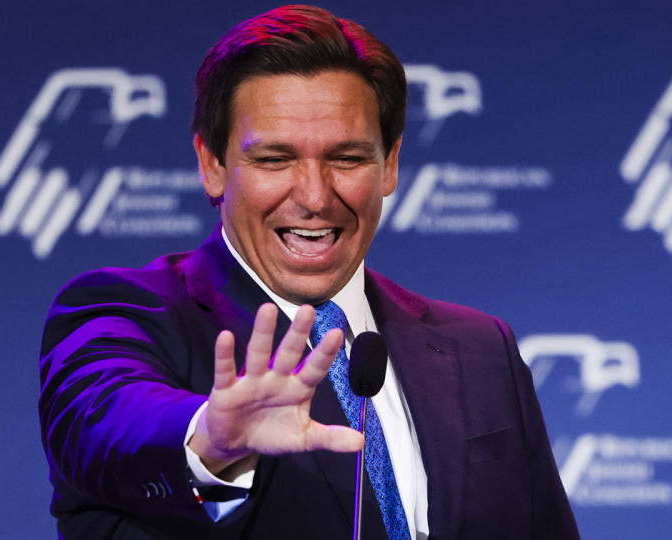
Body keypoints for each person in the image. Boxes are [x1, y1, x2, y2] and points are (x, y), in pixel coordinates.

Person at [39, 5, 579, 539]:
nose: (316, 198)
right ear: (212, 165)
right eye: (274, 160)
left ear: (389, 164)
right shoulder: (126, 312)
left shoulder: (481, 347)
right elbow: (104, 420)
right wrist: (210, 438)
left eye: (347, 158)